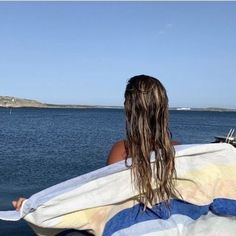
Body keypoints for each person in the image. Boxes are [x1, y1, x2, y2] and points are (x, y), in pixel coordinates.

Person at [13, 74, 177, 210]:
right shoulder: (179, 149)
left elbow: (100, 198)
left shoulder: (122, 150)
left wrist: (37, 205)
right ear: (163, 108)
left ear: (130, 109)